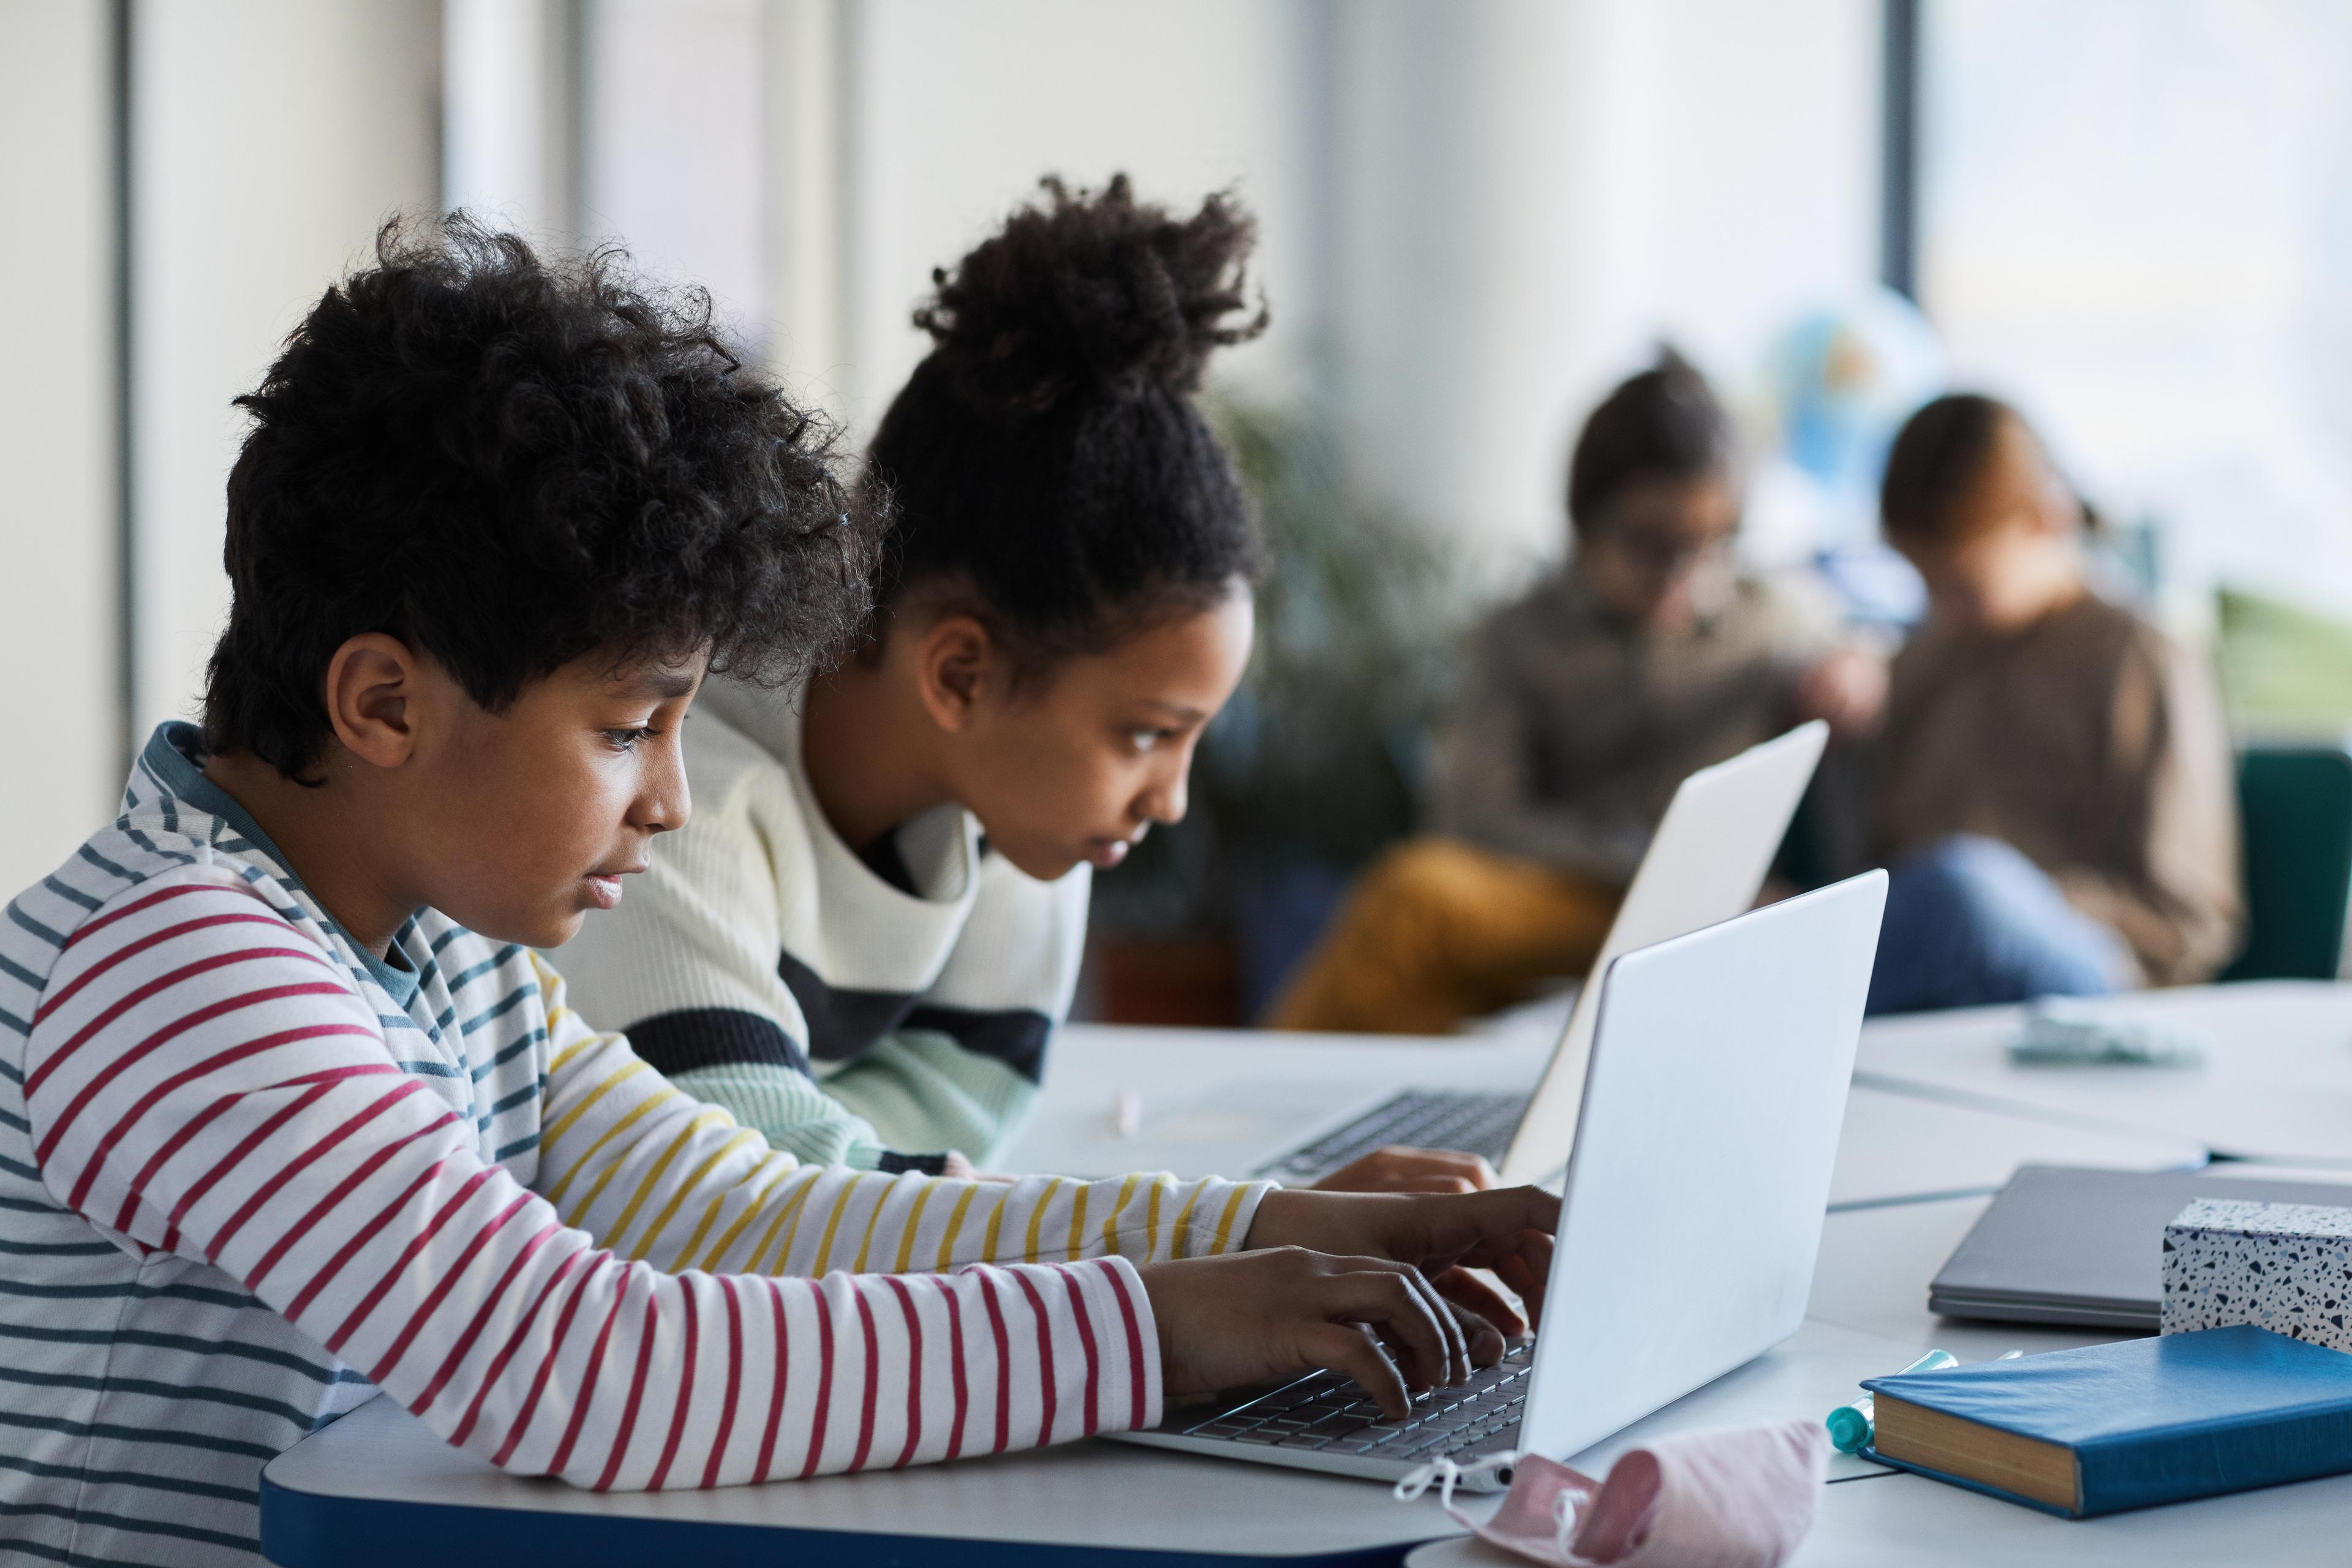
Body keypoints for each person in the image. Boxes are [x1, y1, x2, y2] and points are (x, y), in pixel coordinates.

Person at [0, 217, 1558, 1568]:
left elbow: (750, 1213)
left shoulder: (432, 951)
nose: (670, 799)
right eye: (626, 728)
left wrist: (1258, 1243)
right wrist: (1158, 1327)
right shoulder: (184, 965)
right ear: (385, 706)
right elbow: (579, 1369)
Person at [554, 178, 1474, 1194]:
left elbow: (944, 1138)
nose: (1170, 798)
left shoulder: (1014, 809)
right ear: (961, 674)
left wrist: (903, 1187)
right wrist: (1246, 1230)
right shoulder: (675, 802)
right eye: (1145, 735)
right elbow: (765, 1203)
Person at [1269, 352, 1883, 1035]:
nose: (1684, 574)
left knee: (1413, 921)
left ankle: (1300, 1095)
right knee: (1417, 907)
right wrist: (1642, 860)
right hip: (1590, 892)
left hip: (1731, 907)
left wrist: (1858, 670)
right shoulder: (1519, 636)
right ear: (1587, 524)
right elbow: (1477, 816)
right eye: (1652, 544)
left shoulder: (1772, 619)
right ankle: (1337, 1108)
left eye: (1711, 542)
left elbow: (1864, 657)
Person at [1862, 393, 2242, 1013]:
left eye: (1963, 584)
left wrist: (2029, 900)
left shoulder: (2137, 655)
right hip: (1942, 967)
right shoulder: (1928, 654)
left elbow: (2185, 920)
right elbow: (1886, 853)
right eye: (1925, 584)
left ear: (2049, 519)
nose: (1942, 610)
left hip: (2100, 971)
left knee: (1964, 886)